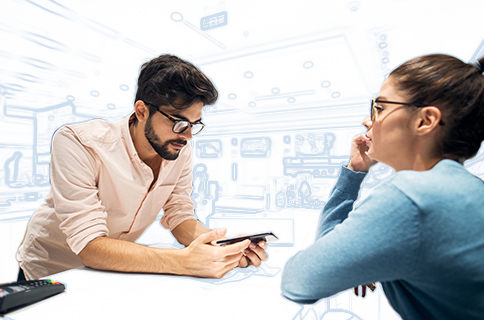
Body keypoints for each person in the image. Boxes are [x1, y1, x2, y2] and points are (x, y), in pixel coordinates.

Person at [17, 54, 267, 281]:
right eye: (179, 123)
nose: (188, 136)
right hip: (50, 271)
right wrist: (185, 262)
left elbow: (179, 215)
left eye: (194, 124)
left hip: (106, 272)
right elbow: (90, 246)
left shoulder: (179, 149)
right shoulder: (79, 142)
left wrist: (222, 248)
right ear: (141, 111)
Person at [281, 54, 484, 319]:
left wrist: (352, 175)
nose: (368, 121)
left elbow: (299, 282)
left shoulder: (412, 197)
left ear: (425, 120)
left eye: (380, 107)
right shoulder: (468, 189)